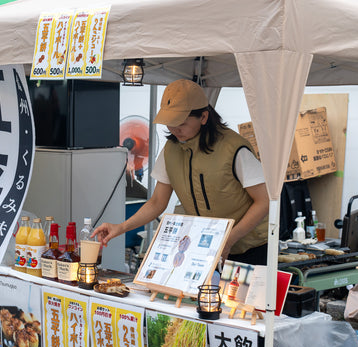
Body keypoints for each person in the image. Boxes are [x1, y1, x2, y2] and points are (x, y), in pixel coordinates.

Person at [92, 79, 269, 265]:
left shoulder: (234, 149)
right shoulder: (171, 150)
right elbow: (157, 202)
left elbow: (264, 201)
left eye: (182, 123)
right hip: (205, 246)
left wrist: (229, 239)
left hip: (249, 249)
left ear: (203, 117)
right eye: (170, 123)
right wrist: (120, 227)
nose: (174, 129)